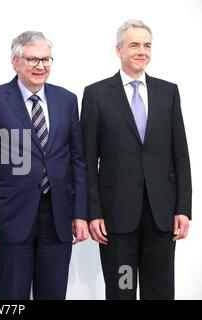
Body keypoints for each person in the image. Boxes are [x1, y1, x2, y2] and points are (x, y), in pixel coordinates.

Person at [81, 19, 192, 300]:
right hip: (117, 220)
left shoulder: (168, 92)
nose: (141, 51)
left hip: (161, 217)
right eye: (134, 45)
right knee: (122, 289)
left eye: (147, 45)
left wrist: (183, 208)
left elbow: (180, 155)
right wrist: (93, 212)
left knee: (160, 291)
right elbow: (87, 159)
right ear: (119, 50)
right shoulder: (96, 95)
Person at [0, 31, 88, 300]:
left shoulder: (67, 100)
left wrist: (81, 212)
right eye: (33, 60)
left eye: (46, 59)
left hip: (58, 216)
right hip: (11, 217)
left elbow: (77, 160)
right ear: (16, 62)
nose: (41, 66)